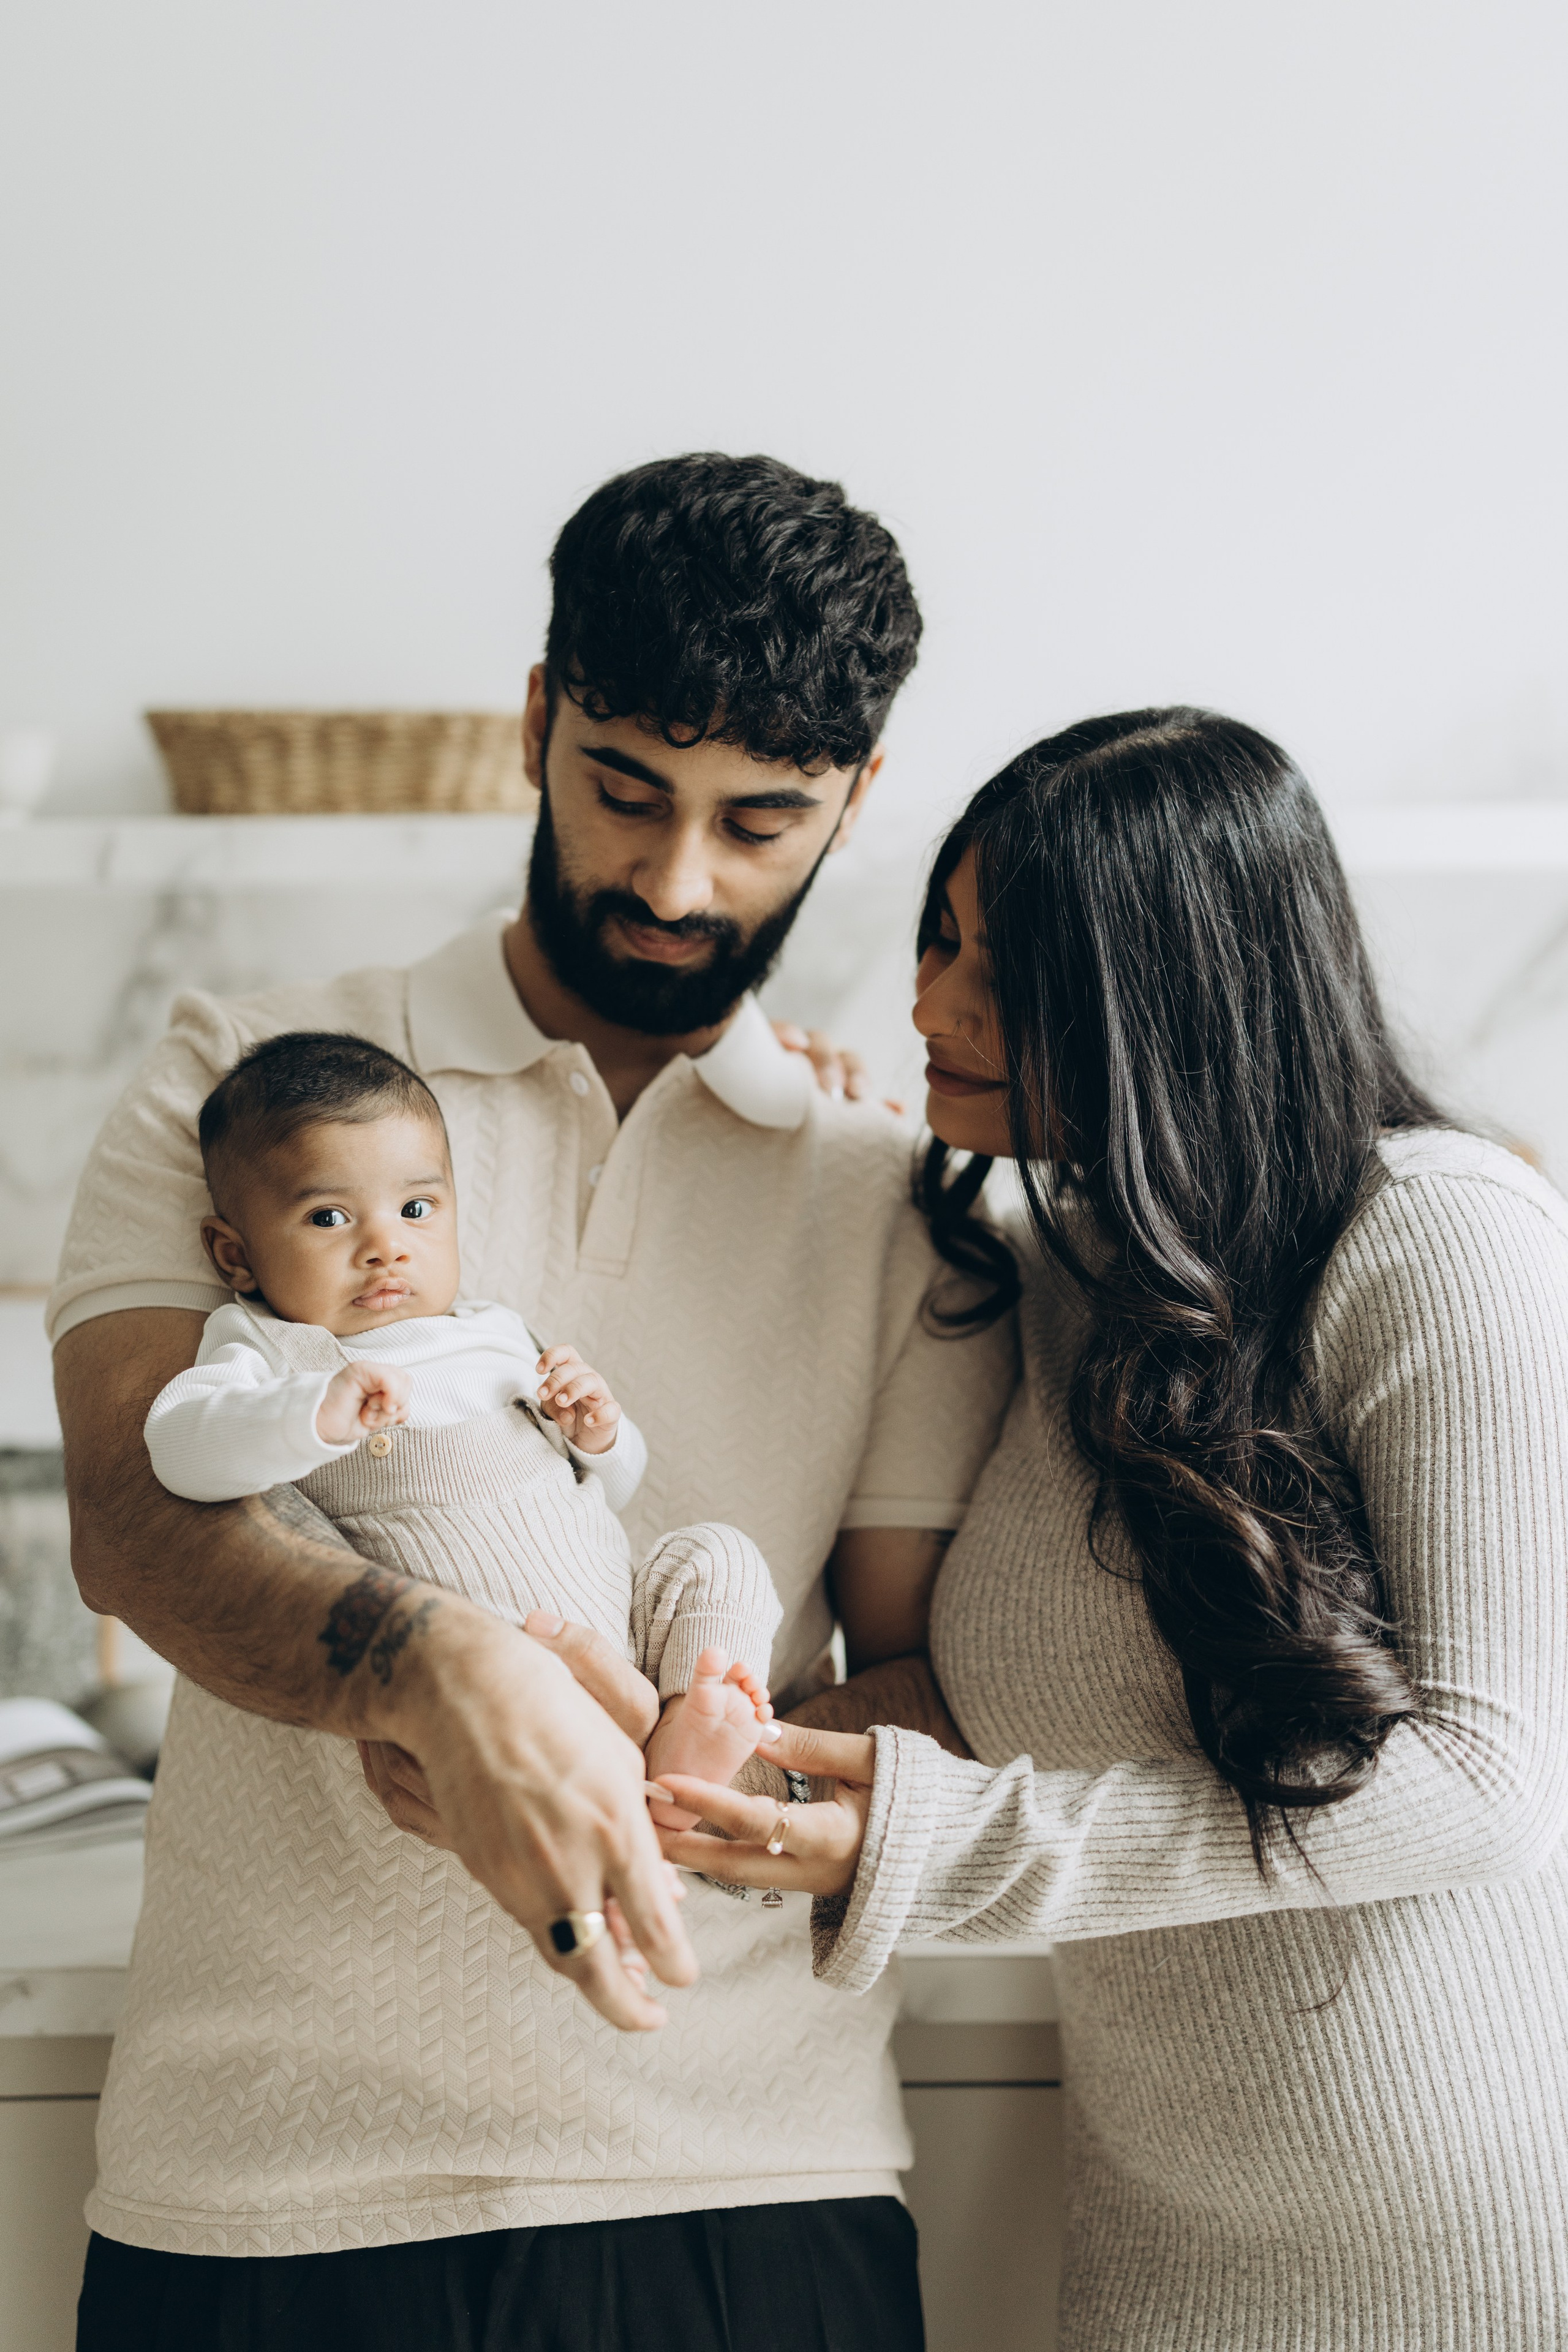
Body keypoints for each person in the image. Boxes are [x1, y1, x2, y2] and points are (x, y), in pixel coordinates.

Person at [55, 454, 1017, 2350]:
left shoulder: (884, 1193)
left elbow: (917, 1685)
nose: (676, 881)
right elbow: (136, 1514)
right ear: (535, 723)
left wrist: (714, 1763)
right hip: (265, 2188)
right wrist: (429, 1668)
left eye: (763, 824)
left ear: (857, 806)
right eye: (627, 791)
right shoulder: (244, 1082)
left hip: (754, 2180)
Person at [662, 709, 1568, 2351]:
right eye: (939, 941)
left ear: (1172, 1002)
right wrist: (700, 1755)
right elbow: (1021, 1710)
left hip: (1476, 2234)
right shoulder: (1061, 1270)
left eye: (1006, 979)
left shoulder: (1439, 1235)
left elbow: (1490, 1791)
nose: (929, 1003)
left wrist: (943, 1849)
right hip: (1165, 2236)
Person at [143, 1028, 784, 1836]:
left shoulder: (494, 1333)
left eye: (416, 1209)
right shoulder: (270, 1348)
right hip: (483, 1660)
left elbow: (613, 1494)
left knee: (717, 1554)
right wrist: (310, 1415)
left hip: (619, 1628)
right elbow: (178, 1449)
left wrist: (598, 1436)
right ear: (234, 1255)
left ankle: (697, 1718)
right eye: (330, 1217)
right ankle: (622, 1782)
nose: (385, 1247)